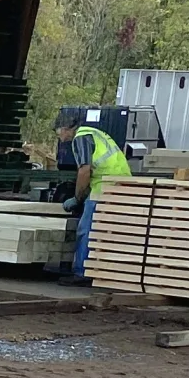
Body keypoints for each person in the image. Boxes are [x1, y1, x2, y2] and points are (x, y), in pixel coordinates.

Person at [58, 117, 132, 275]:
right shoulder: (94, 133)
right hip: (121, 180)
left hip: (105, 183)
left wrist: (77, 198)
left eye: (57, 132)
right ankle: (100, 270)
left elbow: (84, 170)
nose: (58, 136)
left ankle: (81, 272)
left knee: (86, 229)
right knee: (105, 229)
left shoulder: (81, 138)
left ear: (65, 128)